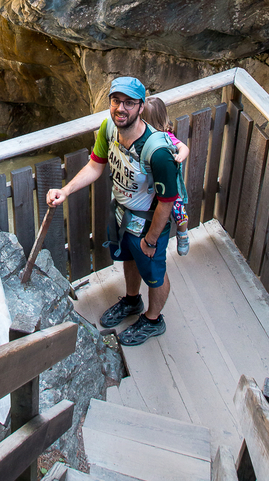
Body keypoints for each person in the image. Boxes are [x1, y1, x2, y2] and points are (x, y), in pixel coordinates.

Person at [46, 77, 180, 346]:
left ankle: (154, 319)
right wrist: (66, 190)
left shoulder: (158, 152)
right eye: (116, 101)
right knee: (129, 259)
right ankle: (132, 300)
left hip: (148, 222)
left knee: (155, 274)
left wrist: (151, 239)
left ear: (141, 107)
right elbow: (95, 165)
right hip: (121, 214)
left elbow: (167, 201)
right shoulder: (108, 128)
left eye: (129, 103)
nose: (121, 108)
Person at [142, 96, 190, 256]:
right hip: (150, 187)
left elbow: (184, 147)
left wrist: (180, 156)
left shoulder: (166, 137)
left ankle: (183, 235)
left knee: (178, 211)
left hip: (168, 185)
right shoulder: (141, 137)